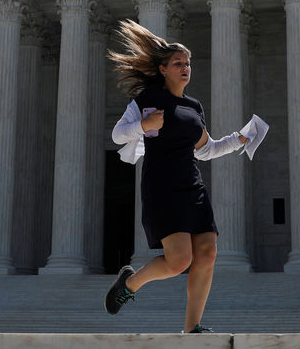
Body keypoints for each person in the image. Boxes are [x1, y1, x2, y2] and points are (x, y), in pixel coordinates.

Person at [104, 20, 249, 334]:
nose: (186, 68)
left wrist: (237, 140)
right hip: (162, 187)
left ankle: (191, 327)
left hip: (192, 185)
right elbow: (117, 135)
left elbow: (205, 150)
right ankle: (128, 283)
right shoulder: (147, 101)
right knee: (179, 261)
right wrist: (143, 125)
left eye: (188, 63)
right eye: (178, 63)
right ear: (163, 69)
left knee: (208, 253)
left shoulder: (193, 107)